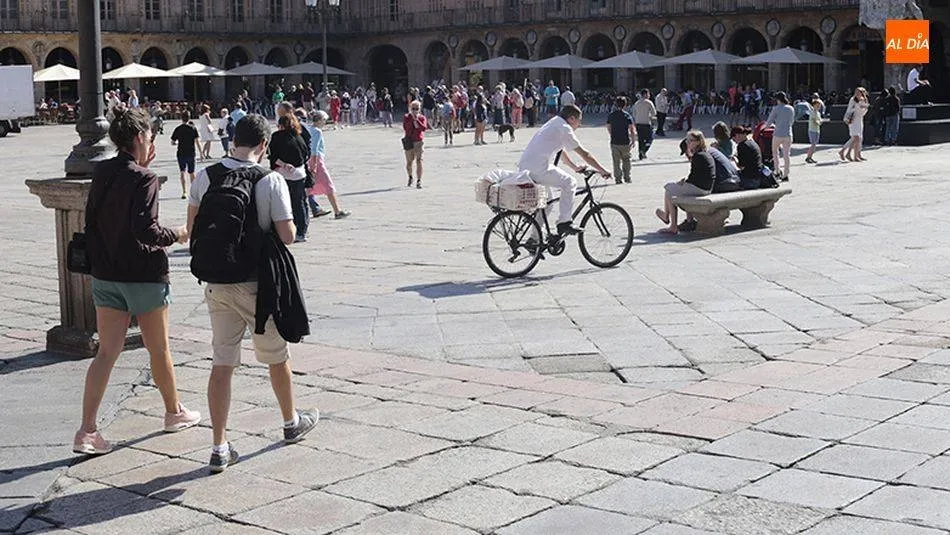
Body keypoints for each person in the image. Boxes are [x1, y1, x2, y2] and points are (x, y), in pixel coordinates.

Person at [186, 114, 319, 473]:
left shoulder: (205, 176)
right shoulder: (269, 180)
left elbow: (191, 228)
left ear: (233, 139)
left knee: (222, 363)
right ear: (263, 146)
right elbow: (288, 235)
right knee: (277, 357)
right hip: (258, 286)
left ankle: (219, 447)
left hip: (217, 284)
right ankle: (291, 423)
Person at [74, 107, 198, 456]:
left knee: (106, 353)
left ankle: (87, 431)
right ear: (141, 138)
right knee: (158, 349)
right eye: (151, 138)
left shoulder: (102, 172)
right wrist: (179, 234)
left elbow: (93, 221)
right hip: (143, 276)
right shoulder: (144, 178)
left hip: (106, 275)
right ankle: (174, 412)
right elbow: (147, 230)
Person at [518, 104, 611, 235]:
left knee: (547, 203)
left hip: (527, 166)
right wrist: (602, 170)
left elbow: (560, 151)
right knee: (570, 183)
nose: (579, 124)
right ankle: (564, 222)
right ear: (572, 118)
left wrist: (574, 167)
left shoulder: (554, 122)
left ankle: (534, 239)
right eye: (579, 120)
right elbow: (585, 154)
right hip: (539, 168)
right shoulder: (565, 128)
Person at [655, 131, 715, 235]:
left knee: (668, 188)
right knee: (676, 188)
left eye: (690, 141)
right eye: (687, 140)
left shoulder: (698, 156)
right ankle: (687, 220)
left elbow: (694, 178)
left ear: (698, 142)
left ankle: (671, 224)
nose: (687, 143)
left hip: (700, 188)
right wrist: (685, 182)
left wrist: (683, 182)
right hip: (706, 188)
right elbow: (697, 175)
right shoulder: (705, 154)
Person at [306, 110, 351, 219]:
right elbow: (314, 150)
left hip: (307, 160)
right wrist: (314, 165)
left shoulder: (308, 129)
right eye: (324, 120)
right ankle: (337, 211)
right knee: (328, 185)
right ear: (319, 120)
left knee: (308, 187)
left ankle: (314, 208)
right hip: (316, 160)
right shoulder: (317, 131)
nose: (325, 122)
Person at [170, 111, 200, 199]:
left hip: (181, 153)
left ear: (181, 118)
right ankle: (194, 192)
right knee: (192, 173)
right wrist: (201, 152)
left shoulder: (178, 129)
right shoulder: (193, 128)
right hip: (191, 152)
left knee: (182, 172)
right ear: (189, 117)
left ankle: (184, 192)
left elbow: (172, 142)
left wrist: (177, 143)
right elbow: (197, 141)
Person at [764, 91, 794, 179]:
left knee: (775, 153)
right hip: (788, 133)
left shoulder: (776, 108)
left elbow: (769, 121)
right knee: (786, 155)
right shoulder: (791, 108)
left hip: (777, 133)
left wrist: (765, 127)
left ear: (777, 100)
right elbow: (791, 122)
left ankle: (777, 171)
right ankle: (786, 174)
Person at [606, 96, 635, 185]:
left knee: (616, 161)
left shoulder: (611, 115)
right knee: (626, 160)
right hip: (625, 141)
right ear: (625, 105)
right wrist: (633, 140)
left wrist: (612, 134)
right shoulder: (627, 115)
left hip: (615, 141)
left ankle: (618, 178)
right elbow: (632, 130)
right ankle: (627, 177)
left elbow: (608, 127)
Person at [839, 87, 870, 162]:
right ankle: (846, 152)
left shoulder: (864, 100)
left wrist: (863, 106)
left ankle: (854, 154)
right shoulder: (853, 100)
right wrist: (860, 106)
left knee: (859, 138)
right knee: (856, 138)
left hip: (859, 120)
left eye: (859, 93)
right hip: (852, 120)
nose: (857, 94)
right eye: (856, 93)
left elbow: (864, 111)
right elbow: (851, 110)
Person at [403, 100, 429, 188]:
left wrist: (417, 120)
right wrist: (412, 120)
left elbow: (424, 128)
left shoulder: (422, 118)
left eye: (416, 109)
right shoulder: (407, 117)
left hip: (418, 141)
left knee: (419, 160)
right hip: (409, 141)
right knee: (409, 162)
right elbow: (406, 128)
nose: (415, 110)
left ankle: (419, 180)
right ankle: (410, 176)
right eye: (413, 108)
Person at [632, 89, 657, 160]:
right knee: (650, 138)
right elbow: (654, 113)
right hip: (646, 123)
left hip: (638, 123)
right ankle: (644, 150)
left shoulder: (636, 103)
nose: (649, 96)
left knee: (641, 139)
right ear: (645, 94)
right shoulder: (649, 102)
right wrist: (649, 116)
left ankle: (640, 153)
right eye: (648, 94)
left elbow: (634, 114)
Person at [805, 98, 824, 164]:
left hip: (817, 130)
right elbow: (815, 121)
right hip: (812, 130)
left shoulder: (818, 113)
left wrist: (820, 122)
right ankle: (808, 157)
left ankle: (810, 157)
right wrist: (819, 122)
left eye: (819, 105)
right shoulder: (812, 112)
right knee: (813, 144)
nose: (818, 107)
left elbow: (819, 120)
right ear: (813, 105)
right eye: (817, 105)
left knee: (814, 144)